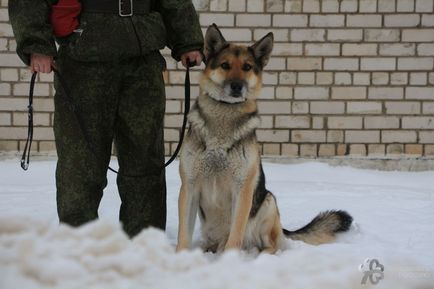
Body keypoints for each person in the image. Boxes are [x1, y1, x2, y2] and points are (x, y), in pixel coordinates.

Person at [9, 0, 204, 237]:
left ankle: (144, 243)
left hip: (141, 58)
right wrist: (36, 43)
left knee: (145, 159)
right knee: (80, 163)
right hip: (84, 58)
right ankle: (78, 242)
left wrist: (187, 39)